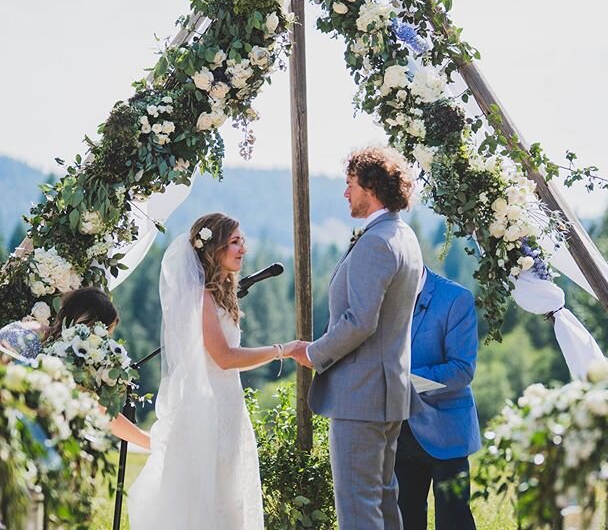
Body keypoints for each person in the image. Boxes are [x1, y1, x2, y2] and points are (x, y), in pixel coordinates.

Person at [128, 212, 301, 530]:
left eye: (243, 241)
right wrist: (283, 350)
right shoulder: (201, 297)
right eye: (235, 242)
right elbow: (223, 357)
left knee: (228, 494)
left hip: (227, 405)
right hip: (207, 410)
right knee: (210, 499)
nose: (243, 249)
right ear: (214, 249)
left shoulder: (220, 295)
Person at [291, 146, 423, 530]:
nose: (346, 194)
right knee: (382, 502)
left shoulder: (377, 242)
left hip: (360, 395)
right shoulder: (404, 236)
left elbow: (360, 321)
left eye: (350, 184)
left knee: (358, 509)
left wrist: (314, 353)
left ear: (371, 186)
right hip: (387, 394)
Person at [0, 287, 151, 450]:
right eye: (103, 333)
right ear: (85, 319)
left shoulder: (70, 358)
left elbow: (95, 408)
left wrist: (149, 441)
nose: (102, 340)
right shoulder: (29, 336)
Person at [394, 265, 481, 530]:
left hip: (447, 432)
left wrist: (403, 381)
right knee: (405, 520)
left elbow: (461, 369)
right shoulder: (384, 295)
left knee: (454, 521)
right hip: (399, 430)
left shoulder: (456, 298)